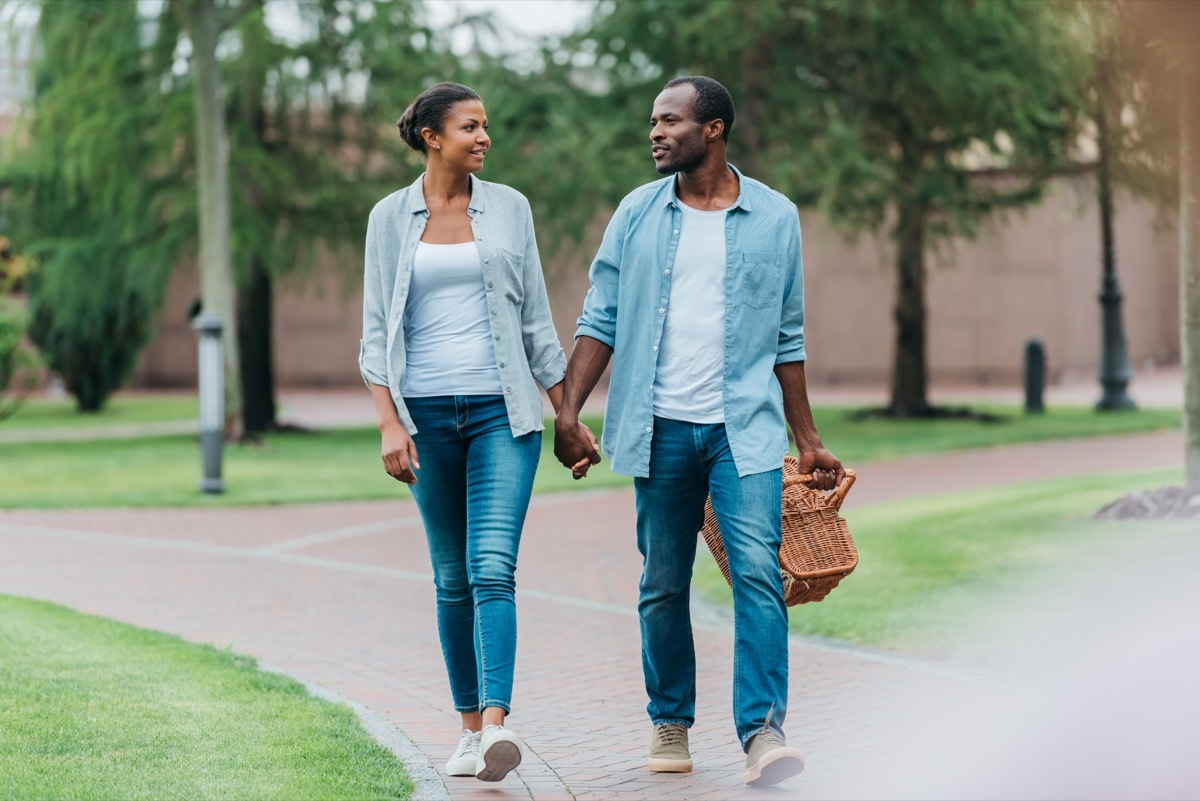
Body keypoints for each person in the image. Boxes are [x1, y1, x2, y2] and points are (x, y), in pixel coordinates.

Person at [553, 75, 845, 787]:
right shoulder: (636, 212)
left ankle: (763, 730)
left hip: (741, 430)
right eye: (653, 120)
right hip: (659, 427)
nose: (655, 132)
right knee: (661, 580)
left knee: (757, 574)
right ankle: (670, 719)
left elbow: (788, 335)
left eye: (669, 120)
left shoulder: (776, 217)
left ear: (712, 129)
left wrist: (806, 438)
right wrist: (567, 411)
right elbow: (601, 316)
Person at [359, 82, 593, 783]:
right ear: (433, 136)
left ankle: (496, 724)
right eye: (470, 126)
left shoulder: (510, 209)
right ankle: (465, 730)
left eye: (486, 125)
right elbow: (376, 332)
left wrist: (567, 414)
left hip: (501, 414)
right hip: (425, 419)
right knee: (451, 576)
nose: (484, 137)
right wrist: (389, 423)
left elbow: (536, 325)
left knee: (492, 565)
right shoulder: (389, 218)